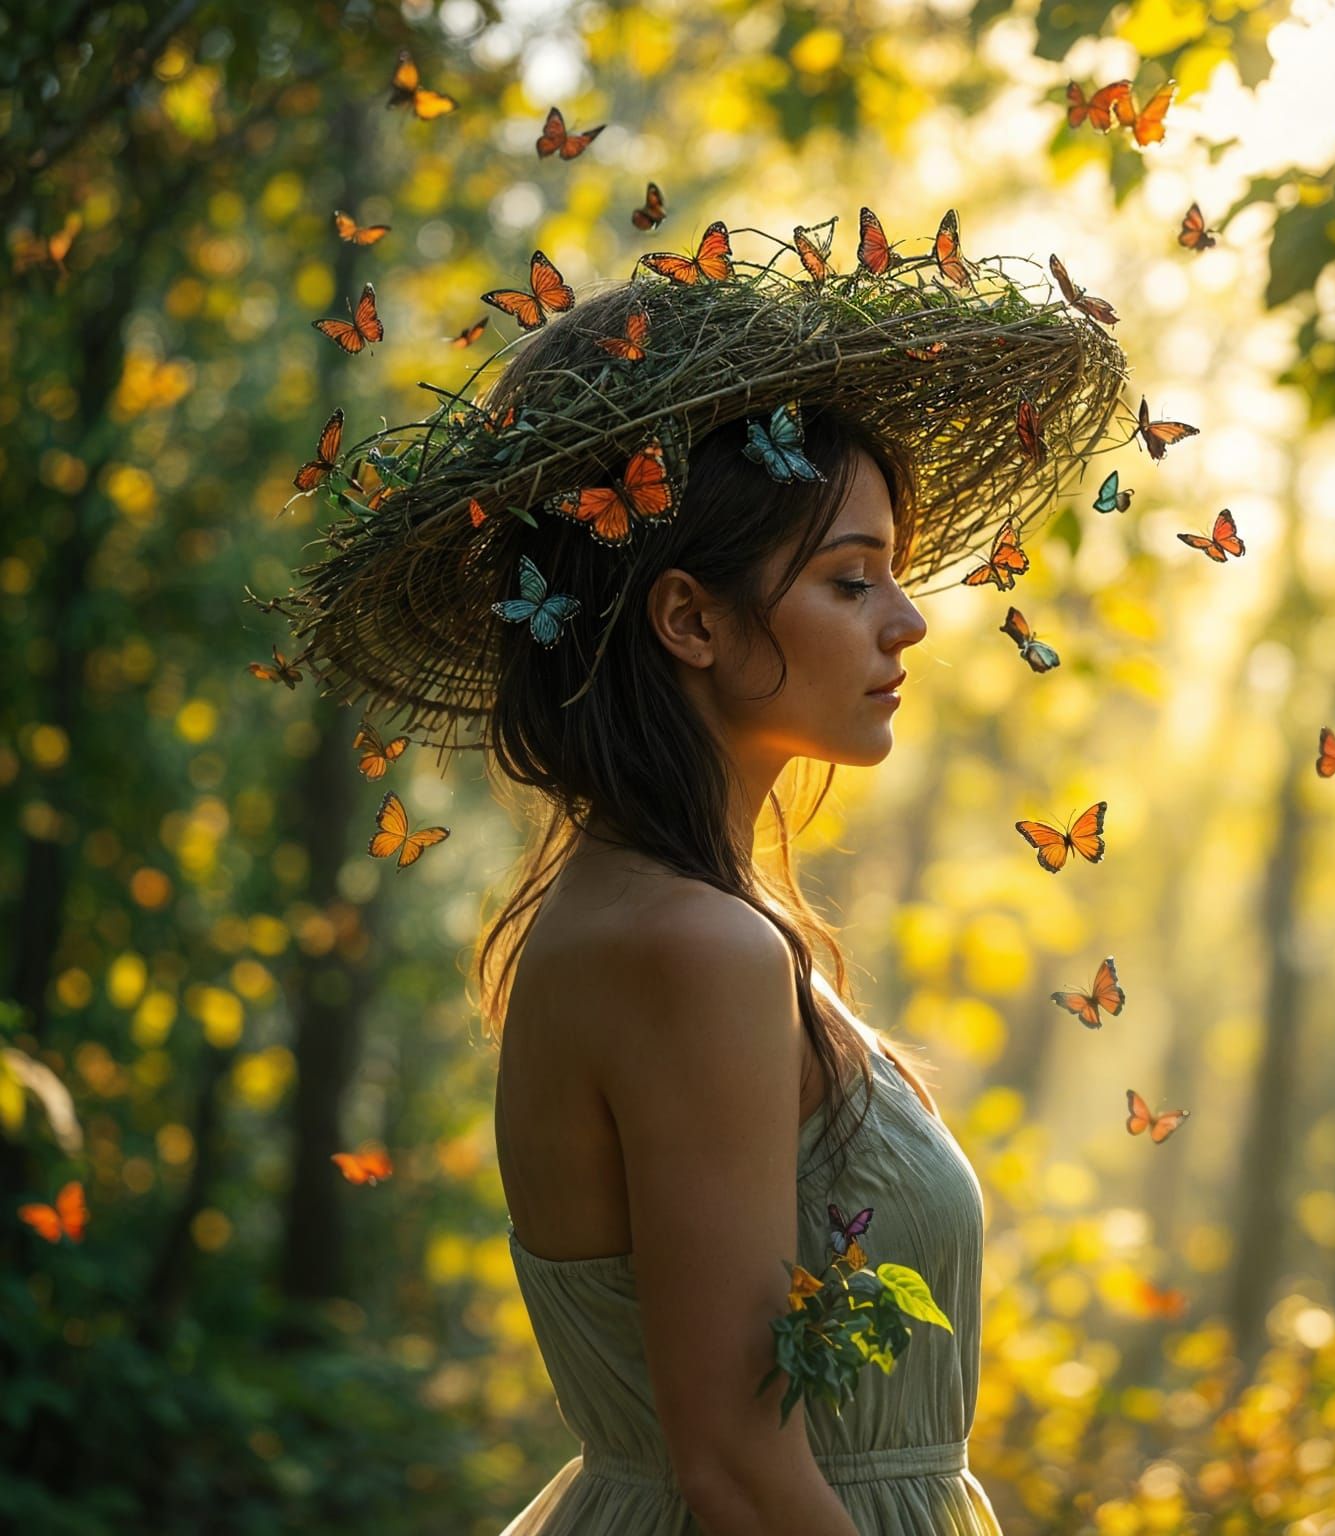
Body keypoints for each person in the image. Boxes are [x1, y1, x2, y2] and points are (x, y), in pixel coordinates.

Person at [272, 218, 1125, 1534]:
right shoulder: (688, 946)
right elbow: (736, 1475)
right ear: (689, 617)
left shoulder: (688, 920)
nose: (908, 622)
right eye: (852, 581)